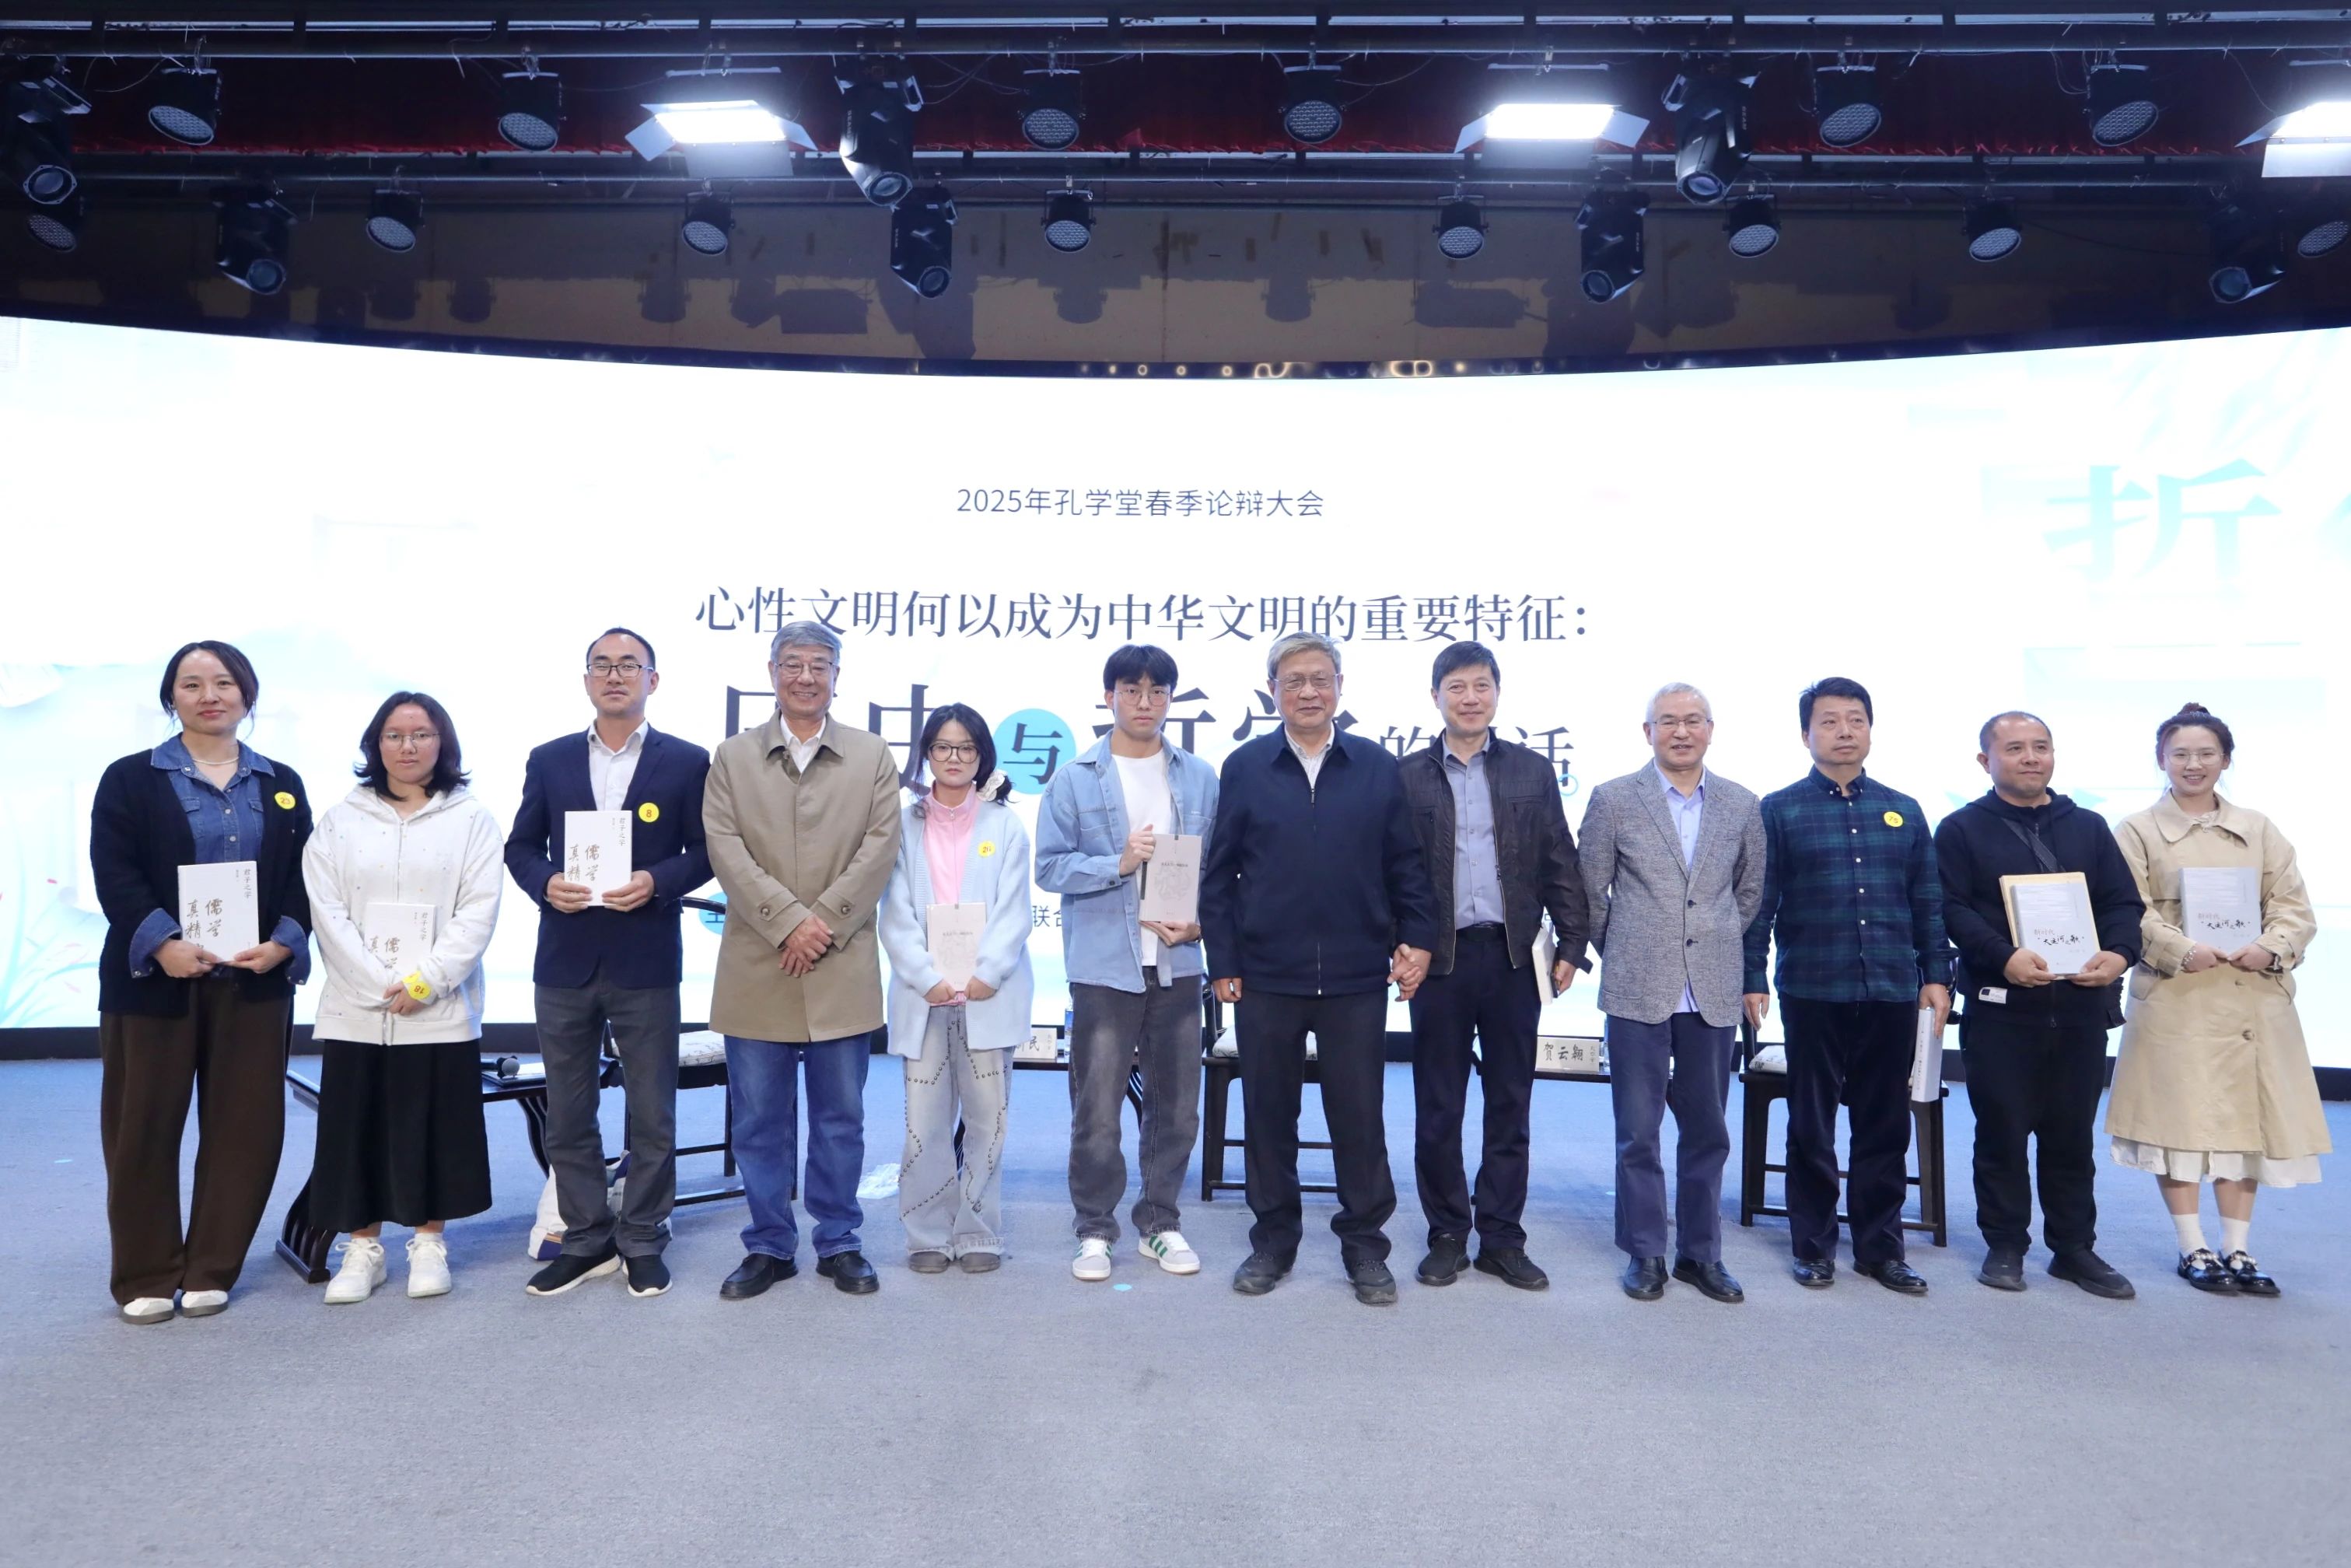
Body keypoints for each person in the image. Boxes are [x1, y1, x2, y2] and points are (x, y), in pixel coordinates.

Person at [1202, 632, 1437, 1307]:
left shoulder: (1375, 766)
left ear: (1339, 686)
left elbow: (1405, 866)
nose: (1308, 692)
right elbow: (1219, 875)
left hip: (1356, 975)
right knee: (1268, 1116)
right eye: (1294, 681)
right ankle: (1272, 1243)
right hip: (1265, 975)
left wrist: (1416, 939)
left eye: (1320, 679)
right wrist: (1224, 960)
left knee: (1358, 1120)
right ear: (1271, 690)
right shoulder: (1245, 766)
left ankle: (1364, 1247)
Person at [89, 641, 313, 1325]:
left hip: (252, 981)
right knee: (142, 1127)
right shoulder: (130, 778)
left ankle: (213, 1265)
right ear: (171, 697)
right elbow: (115, 872)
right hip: (153, 981)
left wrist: (284, 942)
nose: (208, 695)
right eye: (191, 684)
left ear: (247, 695)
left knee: (245, 1128)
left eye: (223, 683)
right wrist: (163, 944)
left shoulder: (281, 781)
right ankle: (147, 1273)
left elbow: (305, 876)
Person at [506, 628, 712, 1301]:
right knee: (569, 1113)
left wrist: (656, 881)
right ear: (586, 679)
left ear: (653, 680)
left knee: (652, 1112)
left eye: (629, 665)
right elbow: (520, 846)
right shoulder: (550, 759)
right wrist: (545, 882)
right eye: (602, 665)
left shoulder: (687, 761)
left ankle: (644, 1236)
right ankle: (586, 1237)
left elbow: (704, 851)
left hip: (644, 956)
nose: (615, 675)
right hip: (564, 957)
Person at [703, 620, 903, 1299]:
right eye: (793, 664)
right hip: (757, 963)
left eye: (819, 665)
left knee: (839, 1119)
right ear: (772, 673)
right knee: (758, 1121)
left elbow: (880, 846)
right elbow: (725, 847)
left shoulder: (871, 755)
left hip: (839, 963)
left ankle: (839, 1240)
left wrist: (824, 924)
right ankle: (768, 1244)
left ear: (837, 677)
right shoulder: (733, 757)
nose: (805, 677)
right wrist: (789, 923)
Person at [2108, 703, 2326, 1297]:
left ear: (2225, 760)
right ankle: (2192, 1246)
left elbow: (2293, 906)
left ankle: (2238, 1248)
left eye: (2205, 753)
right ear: (2161, 759)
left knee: (2244, 1124)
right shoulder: (2135, 829)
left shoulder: (2259, 827)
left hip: (2251, 994)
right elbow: (2128, 909)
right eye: (2179, 753)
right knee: (2177, 1124)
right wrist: (2180, 949)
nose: (2192, 764)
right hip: (2177, 993)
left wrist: (2270, 946)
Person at [1744, 677, 1950, 1297]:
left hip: (1891, 987)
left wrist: (1935, 976)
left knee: (1884, 1124)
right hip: (1812, 985)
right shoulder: (1778, 810)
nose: (1843, 732)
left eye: (1855, 720)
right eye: (1829, 721)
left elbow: (1927, 903)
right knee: (1810, 1124)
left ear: (1869, 730)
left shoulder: (1903, 809)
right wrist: (1752, 975)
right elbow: (1759, 903)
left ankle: (1880, 1250)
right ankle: (1812, 1248)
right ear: (1805, 734)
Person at [1397, 641, 1589, 1292]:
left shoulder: (1531, 771)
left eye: (1481, 685)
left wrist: (1572, 942)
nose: (1470, 698)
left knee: (1510, 1102)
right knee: (1439, 1106)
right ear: (1435, 697)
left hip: (1512, 959)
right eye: (1456, 687)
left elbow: (1558, 858)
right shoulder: (1406, 776)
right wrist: (1397, 945)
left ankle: (1502, 1238)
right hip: (1439, 960)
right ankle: (1448, 1234)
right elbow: (1392, 871)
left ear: (1497, 694)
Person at [304, 691, 504, 1304]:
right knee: (354, 1128)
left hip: (436, 1007)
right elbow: (326, 909)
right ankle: (362, 1249)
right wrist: (374, 983)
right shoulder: (342, 819)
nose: (408, 746)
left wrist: (426, 981)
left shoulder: (471, 819)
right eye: (394, 735)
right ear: (376, 744)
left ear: (443, 744)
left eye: (421, 735)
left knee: (432, 1126)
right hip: (356, 1008)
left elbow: (478, 910)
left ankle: (428, 1241)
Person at [1934, 711, 2143, 1298]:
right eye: (2015, 748)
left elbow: (2122, 904)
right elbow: (1951, 910)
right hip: (2001, 1009)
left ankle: (2073, 1249)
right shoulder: (1960, 829)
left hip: (2079, 1010)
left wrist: (2118, 954)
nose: (2030, 757)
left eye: (2040, 746)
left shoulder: (2089, 827)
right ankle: (2005, 1244)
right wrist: (2002, 956)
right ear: (1986, 761)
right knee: (2000, 1133)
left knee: (2071, 1136)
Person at [1035, 644, 1219, 1283]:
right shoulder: (1074, 777)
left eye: (1157, 691)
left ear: (1170, 698)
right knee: (1097, 1108)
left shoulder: (1199, 776)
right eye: (1131, 690)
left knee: (1178, 1107)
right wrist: (1116, 863)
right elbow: (1049, 867)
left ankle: (1160, 1222)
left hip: (1178, 961)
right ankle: (1094, 1229)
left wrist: (1202, 924)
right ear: (1109, 695)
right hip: (1103, 966)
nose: (1145, 702)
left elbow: (1220, 870)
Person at [1579, 683, 1765, 1304]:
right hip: (1636, 983)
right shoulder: (1612, 799)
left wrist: (1713, 939)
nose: (1680, 731)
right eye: (1667, 722)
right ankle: (1645, 1251)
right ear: (1647, 732)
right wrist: (1626, 946)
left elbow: (1748, 893)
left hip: (1712, 984)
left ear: (1710, 729)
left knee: (1708, 1130)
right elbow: (1590, 892)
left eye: (1692, 721)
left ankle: (1700, 1254)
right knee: (1638, 1130)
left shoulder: (1741, 804)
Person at [877, 705, 1035, 1272]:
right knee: (924, 1125)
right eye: (942, 747)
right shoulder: (902, 824)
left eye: (966, 748)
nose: (954, 758)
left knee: (988, 1122)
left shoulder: (1005, 826)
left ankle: (977, 1234)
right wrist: (926, 977)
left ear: (981, 756)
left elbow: (1016, 910)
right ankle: (926, 1233)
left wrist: (987, 972)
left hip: (989, 993)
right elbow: (893, 911)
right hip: (924, 995)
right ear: (926, 754)